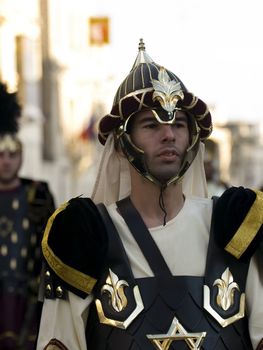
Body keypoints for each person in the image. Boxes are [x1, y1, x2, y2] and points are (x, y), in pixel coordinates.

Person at [37, 40, 263, 350]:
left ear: (192, 137)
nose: (168, 134)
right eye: (150, 124)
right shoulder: (84, 236)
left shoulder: (235, 227)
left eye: (179, 123)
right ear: (121, 143)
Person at [0, 82, 55, 350]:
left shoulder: (39, 194)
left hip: (29, 301)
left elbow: (54, 249)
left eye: (12, 154)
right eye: (1, 155)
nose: (6, 161)